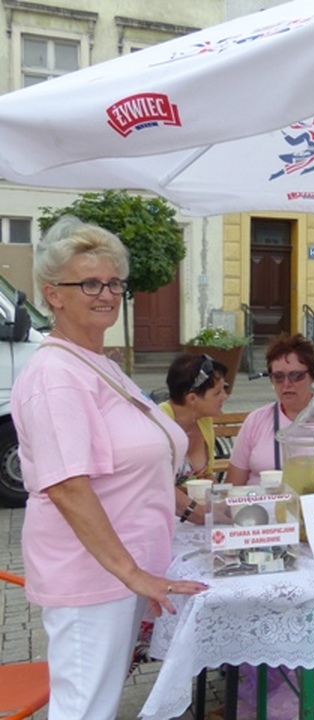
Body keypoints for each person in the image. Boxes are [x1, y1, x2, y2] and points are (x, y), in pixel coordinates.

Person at [10, 216, 207, 719]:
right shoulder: (56, 374)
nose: (107, 294)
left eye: (114, 282)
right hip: (92, 576)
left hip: (120, 571)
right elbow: (67, 486)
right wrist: (133, 573)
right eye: (90, 284)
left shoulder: (98, 362)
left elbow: (136, 465)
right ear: (53, 294)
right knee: (84, 709)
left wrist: (191, 514)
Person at [226, 333, 314, 486]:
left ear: (313, 377)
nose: (286, 384)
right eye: (278, 377)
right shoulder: (256, 420)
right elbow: (234, 485)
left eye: (296, 375)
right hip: (261, 500)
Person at [160, 353, 229, 525]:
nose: (225, 396)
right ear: (192, 398)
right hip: (163, 518)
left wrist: (224, 504)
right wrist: (202, 514)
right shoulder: (159, 424)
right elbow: (159, 485)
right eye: (217, 392)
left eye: (224, 389)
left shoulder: (203, 419)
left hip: (192, 519)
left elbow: (206, 476)